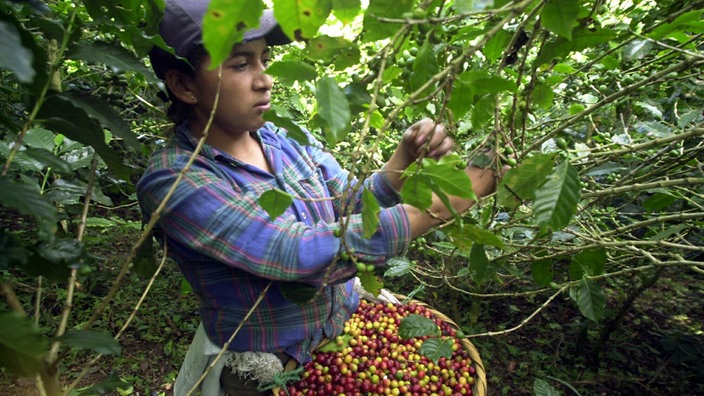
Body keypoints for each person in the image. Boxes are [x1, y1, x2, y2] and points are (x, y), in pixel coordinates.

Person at [137, 1, 500, 395]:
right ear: (184, 85)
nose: (265, 80)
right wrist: (440, 204)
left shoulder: (286, 138)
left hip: (341, 329)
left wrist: (404, 157)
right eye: (240, 64)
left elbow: (348, 205)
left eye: (264, 60)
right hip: (266, 363)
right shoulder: (175, 181)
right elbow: (292, 252)